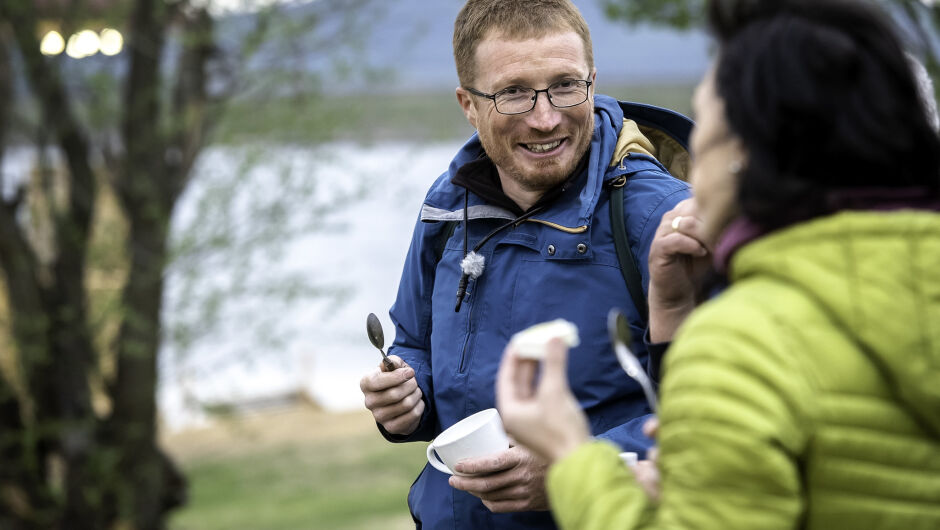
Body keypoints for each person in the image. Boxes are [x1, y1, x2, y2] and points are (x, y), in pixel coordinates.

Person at [495, 0, 940, 529]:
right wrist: (676, 315)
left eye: (703, 128)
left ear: (745, 157)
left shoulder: (746, 343)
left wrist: (571, 455)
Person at [358, 0, 693, 527]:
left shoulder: (665, 219)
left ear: (592, 79)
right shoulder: (448, 206)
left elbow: (719, 419)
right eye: (513, 92)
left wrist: (574, 469)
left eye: (565, 84)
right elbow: (415, 344)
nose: (545, 117)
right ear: (468, 104)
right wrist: (407, 394)